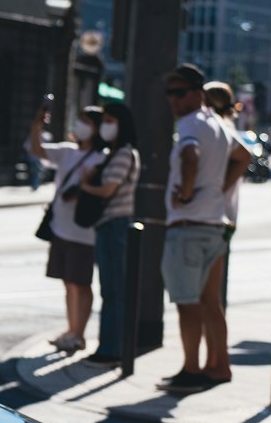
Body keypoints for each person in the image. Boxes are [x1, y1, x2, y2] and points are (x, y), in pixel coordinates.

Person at [157, 64, 251, 393]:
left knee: (187, 303)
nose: (173, 99)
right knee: (211, 301)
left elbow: (190, 156)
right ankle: (220, 365)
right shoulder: (220, 125)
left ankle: (192, 370)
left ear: (198, 94)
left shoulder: (189, 123)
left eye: (180, 92)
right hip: (214, 226)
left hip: (189, 226)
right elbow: (244, 156)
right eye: (170, 93)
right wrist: (219, 190)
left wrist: (185, 193)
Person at [25, 104, 106, 354]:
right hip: (61, 228)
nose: (80, 126)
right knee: (68, 282)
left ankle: (79, 334)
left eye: (87, 122)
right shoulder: (67, 152)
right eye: (79, 120)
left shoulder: (101, 157)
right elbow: (36, 150)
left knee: (80, 282)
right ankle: (71, 330)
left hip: (84, 231)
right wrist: (37, 124)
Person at [75, 101, 141, 366]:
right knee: (111, 290)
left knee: (114, 290)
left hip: (115, 225)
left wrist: (86, 185)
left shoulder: (124, 153)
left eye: (111, 120)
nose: (105, 126)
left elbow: (108, 191)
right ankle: (110, 346)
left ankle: (112, 349)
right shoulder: (115, 153)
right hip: (110, 225)